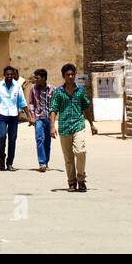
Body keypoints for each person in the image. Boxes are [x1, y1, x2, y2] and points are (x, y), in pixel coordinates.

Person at [48, 63, 92, 192]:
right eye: (68, 75)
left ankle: (81, 179)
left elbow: (86, 107)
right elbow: (53, 109)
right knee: (68, 158)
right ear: (63, 76)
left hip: (78, 125)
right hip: (64, 127)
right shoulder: (58, 92)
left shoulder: (80, 91)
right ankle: (72, 182)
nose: (71, 76)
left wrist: (92, 124)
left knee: (80, 151)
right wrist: (52, 126)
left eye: (72, 74)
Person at [0, 65, 33, 171]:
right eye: (7, 74)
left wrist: (29, 116)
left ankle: (9, 163)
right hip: (2, 115)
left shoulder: (17, 86)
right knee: (2, 136)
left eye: (11, 74)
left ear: (13, 75)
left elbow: (22, 101)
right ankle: (2, 158)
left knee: (12, 140)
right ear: (4, 75)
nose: (9, 76)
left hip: (13, 116)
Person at [28, 69, 55, 172]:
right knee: (40, 139)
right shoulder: (33, 89)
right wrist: (32, 116)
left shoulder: (52, 89)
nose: (35, 80)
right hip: (38, 118)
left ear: (43, 78)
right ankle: (42, 163)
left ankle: (46, 162)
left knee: (47, 141)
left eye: (37, 78)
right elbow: (31, 103)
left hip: (49, 118)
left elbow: (55, 104)